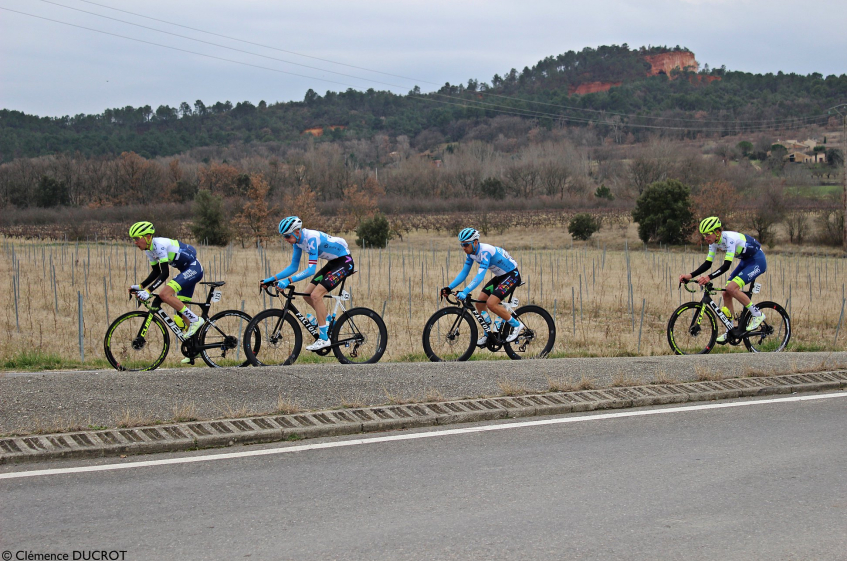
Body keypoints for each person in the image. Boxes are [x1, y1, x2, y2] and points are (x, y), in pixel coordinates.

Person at [260, 216, 354, 352]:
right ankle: (327, 321)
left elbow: (311, 270)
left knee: (316, 295)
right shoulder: (297, 242)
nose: (285, 240)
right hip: (333, 263)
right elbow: (293, 267)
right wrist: (270, 279)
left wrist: (288, 281)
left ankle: (323, 339)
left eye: (287, 236)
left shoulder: (311, 238)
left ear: (297, 232)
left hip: (344, 262)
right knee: (307, 295)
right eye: (284, 237)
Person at [678, 216, 767, 343]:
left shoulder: (729, 239)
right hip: (745, 261)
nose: (705, 238)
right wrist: (690, 275)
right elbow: (708, 263)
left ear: (717, 232)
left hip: (757, 261)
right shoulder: (713, 243)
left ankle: (757, 315)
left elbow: (726, 266)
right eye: (704, 235)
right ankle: (730, 331)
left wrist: (709, 277)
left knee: (732, 288)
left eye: (708, 234)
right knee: (726, 292)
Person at [442, 228, 525, 346]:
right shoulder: (471, 254)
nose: (463, 248)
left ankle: (517, 325)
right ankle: (488, 334)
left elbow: (480, 276)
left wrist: (465, 291)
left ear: (475, 242)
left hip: (512, 275)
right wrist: (449, 288)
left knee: (491, 303)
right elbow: (464, 273)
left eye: (466, 244)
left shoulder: (485, 252)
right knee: (480, 302)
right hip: (500, 277)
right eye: (462, 245)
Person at [128, 221, 206, 343]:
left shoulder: (159, 245)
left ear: (148, 237)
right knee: (183, 312)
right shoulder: (149, 250)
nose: (135, 242)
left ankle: (196, 320)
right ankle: (194, 349)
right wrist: (140, 286)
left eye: (137, 238)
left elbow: (165, 273)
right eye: (134, 239)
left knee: (164, 295)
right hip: (185, 270)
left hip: (193, 268)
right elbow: (156, 272)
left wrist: (148, 291)